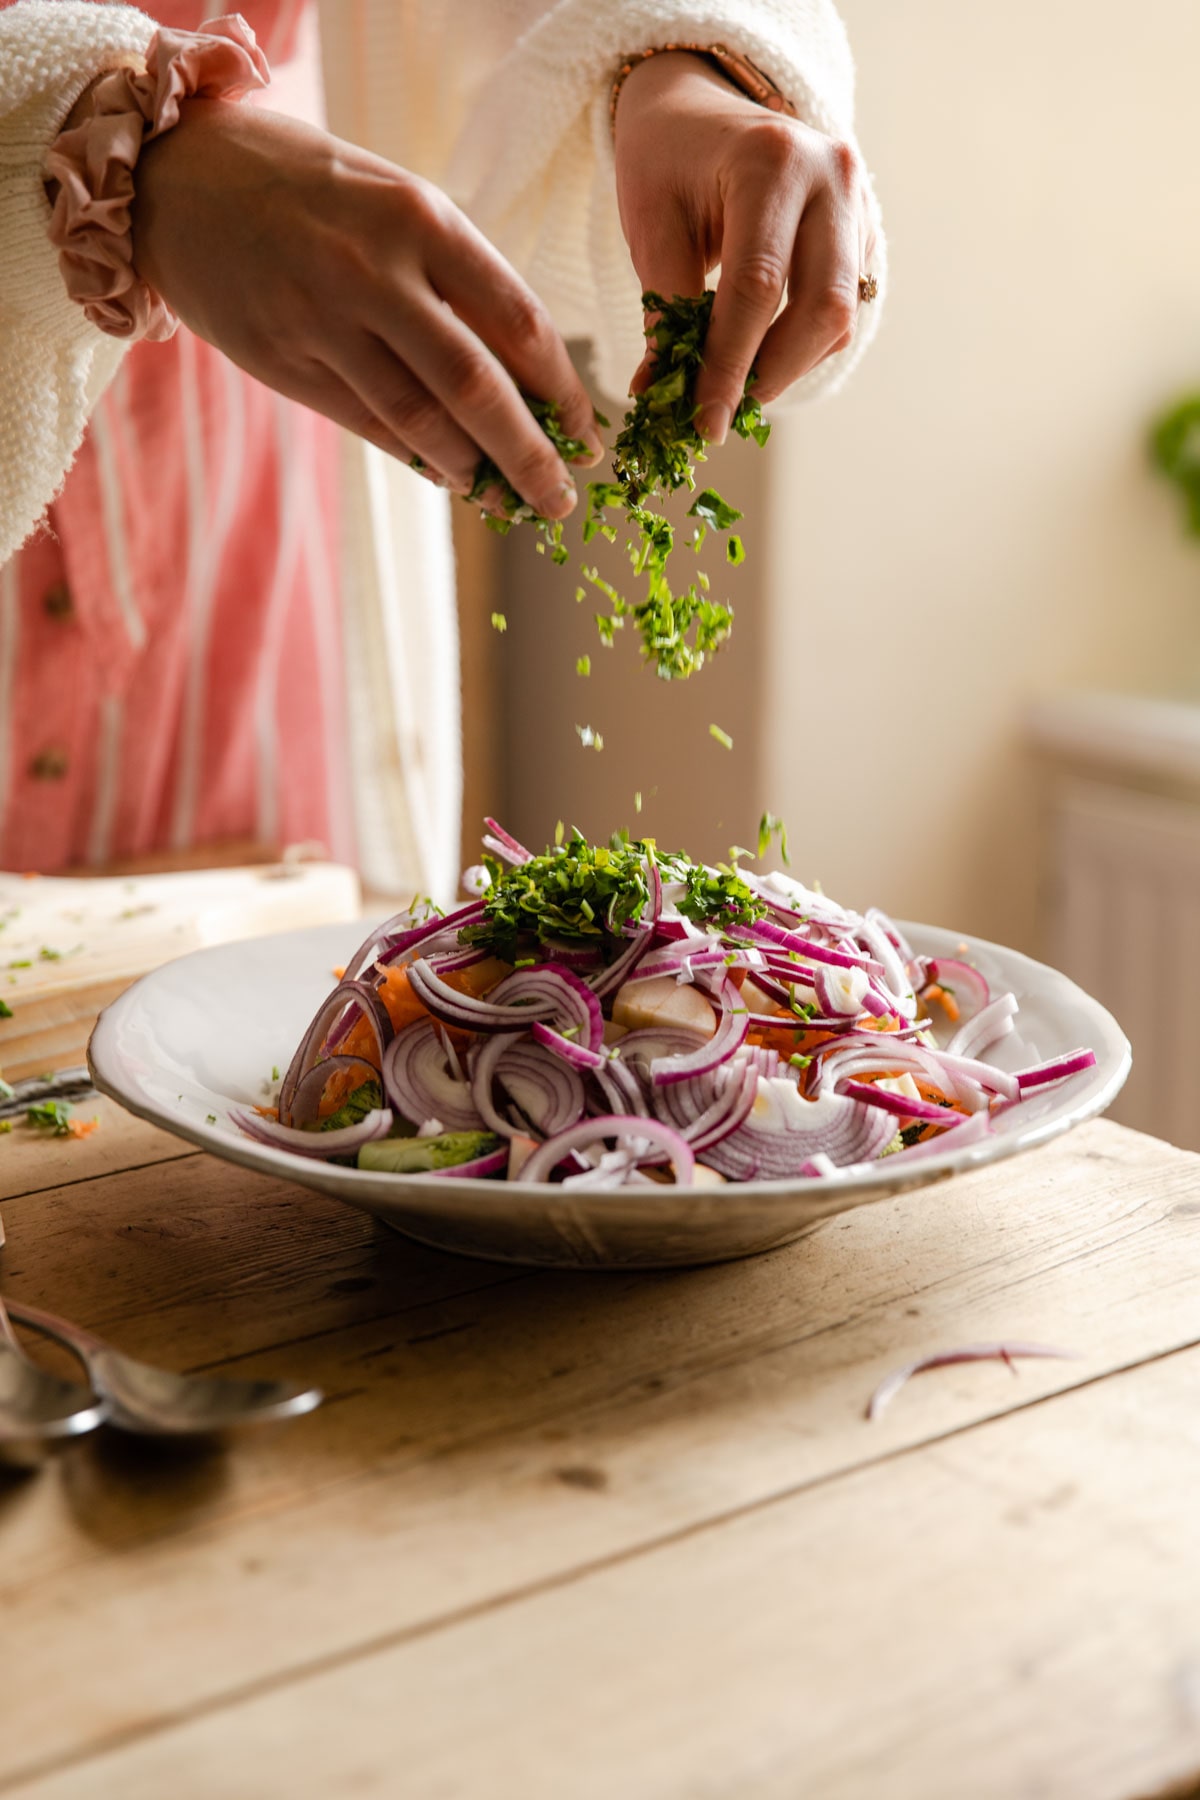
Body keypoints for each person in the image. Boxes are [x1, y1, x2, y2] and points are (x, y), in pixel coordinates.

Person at [0, 0, 885, 897]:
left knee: (258, 978)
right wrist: (113, 156)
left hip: (262, 409)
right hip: (212, 258)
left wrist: (680, 61)